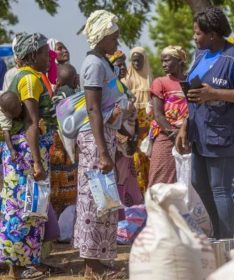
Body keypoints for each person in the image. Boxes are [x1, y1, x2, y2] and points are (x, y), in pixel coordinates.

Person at [175, 7, 234, 238]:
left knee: (220, 188)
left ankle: (225, 241)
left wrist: (216, 94)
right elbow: (194, 94)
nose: (194, 37)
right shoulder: (201, 55)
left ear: (212, 34)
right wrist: (185, 126)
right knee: (198, 182)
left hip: (224, 133)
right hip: (200, 131)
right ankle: (219, 233)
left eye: (198, 33)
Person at [74, 10, 127, 279]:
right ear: (102, 36)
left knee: (104, 201)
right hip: (96, 141)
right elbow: (93, 110)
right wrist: (103, 152)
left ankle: (95, 262)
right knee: (95, 201)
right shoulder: (93, 65)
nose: (117, 41)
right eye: (114, 37)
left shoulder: (102, 62)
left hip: (102, 138)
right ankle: (92, 267)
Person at [0, 32, 55, 279]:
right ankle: (19, 269)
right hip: (26, 150)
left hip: (21, 149)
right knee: (26, 207)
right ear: (33, 55)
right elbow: (32, 123)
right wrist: (36, 161)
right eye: (45, 53)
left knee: (20, 207)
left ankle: (17, 268)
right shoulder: (30, 80)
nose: (49, 57)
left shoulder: (27, 77)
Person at [107, 49, 142, 217]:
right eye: (118, 65)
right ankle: (119, 216)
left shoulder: (123, 87)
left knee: (127, 177)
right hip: (117, 142)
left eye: (123, 64)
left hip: (128, 142)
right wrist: (122, 137)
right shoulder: (109, 89)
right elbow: (111, 115)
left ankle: (130, 217)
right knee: (118, 178)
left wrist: (135, 136)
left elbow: (132, 115)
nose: (122, 67)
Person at [148, 46, 188, 187]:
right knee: (160, 181)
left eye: (167, 60)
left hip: (188, 136)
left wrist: (183, 133)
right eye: (162, 62)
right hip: (166, 136)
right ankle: (156, 209)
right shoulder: (159, 82)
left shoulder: (190, 81)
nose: (163, 65)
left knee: (185, 181)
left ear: (178, 60)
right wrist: (175, 134)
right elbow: (158, 115)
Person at [49, 63, 79, 214]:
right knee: (69, 187)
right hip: (69, 147)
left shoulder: (53, 96)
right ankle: (66, 225)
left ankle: (54, 223)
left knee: (54, 186)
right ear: (75, 81)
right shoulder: (75, 95)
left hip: (54, 147)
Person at [122, 47, 153, 193]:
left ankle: (149, 196)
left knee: (148, 159)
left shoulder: (149, 77)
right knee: (135, 161)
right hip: (132, 123)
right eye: (133, 60)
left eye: (139, 60)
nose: (136, 63)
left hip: (148, 126)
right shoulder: (126, 78)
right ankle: (137, 195)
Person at [0, 91, 22, 161]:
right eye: (13, 116)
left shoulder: (13, 98)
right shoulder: (3, 115)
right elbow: (6, 132)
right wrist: (12, 150)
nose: (16, 116)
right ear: (4, 112)